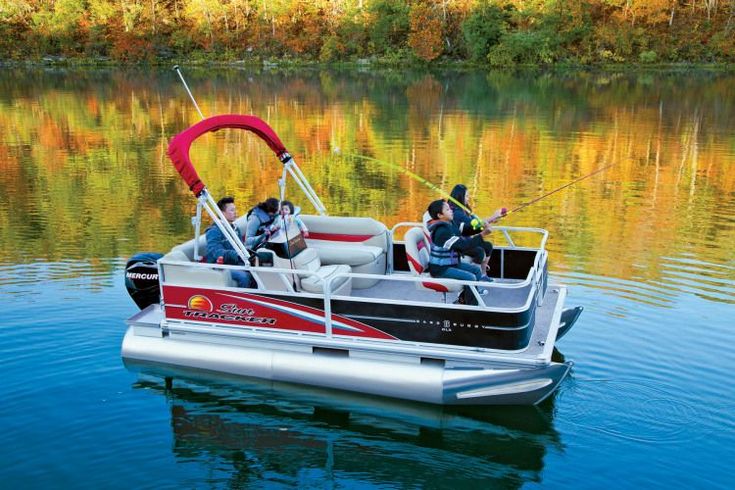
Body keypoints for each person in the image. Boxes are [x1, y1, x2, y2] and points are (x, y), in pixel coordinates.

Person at [426, 199, 493, 304]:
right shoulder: (442, 231)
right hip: (440, 269)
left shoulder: (450, 224)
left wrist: (481, 226)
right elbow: (463, 246)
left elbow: (466, 230)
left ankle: (463, 299)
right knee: (470, 277)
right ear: (440, 215)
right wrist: (483, 235)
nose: (451, 211)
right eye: (447, 210)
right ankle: (471, 307)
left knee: (476, 271)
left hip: (452, 264)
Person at [448, 184, 505, 279]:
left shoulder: (465, 209)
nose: (468, 198)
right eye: (466, 196)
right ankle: (474, 275)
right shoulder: (456, 213)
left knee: (488, 246)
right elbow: (474, 225)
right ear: (460, 197)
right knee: (479, 251)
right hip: (460, 243)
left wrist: (493, 218)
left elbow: (479, 221)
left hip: (467, 239)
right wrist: (493, 217)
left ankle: (483, 275)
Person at [205, 196, 254, 288]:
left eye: (235, 210)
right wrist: (236, 254)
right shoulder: (213, 231)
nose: (235, 212)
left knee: (257, 270)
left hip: (234, 263)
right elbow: (216, 252)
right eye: (232, 210)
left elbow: (241, 247)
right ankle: (241, 300)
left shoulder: (235, 229)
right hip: (219, 266)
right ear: (222, 213)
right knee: (243, 276)